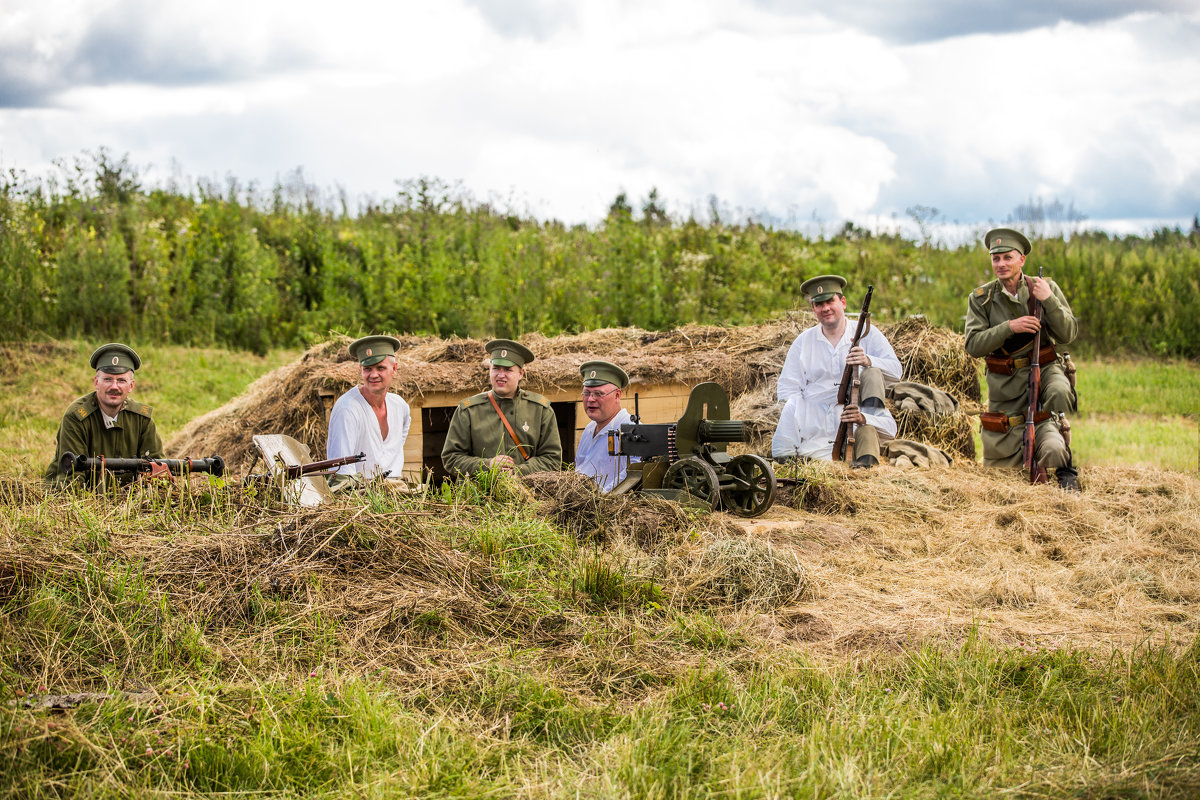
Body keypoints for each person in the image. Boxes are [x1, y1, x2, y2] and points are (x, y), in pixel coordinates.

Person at [965, 227, 1079, 490]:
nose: (1001, 264)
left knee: (1060, 394)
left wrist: (1048, 300)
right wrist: (1009, 327)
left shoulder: (1044, 288)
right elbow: (972, 345)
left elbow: (1068, 333)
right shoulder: (981, 299)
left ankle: (1065, 467)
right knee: (999, 481)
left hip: (1045, 369)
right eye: (996, 259)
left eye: (1008, 257)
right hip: (1005, 388)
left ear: (1022, 260)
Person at [772, 275, 902, 467]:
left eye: (830, 301)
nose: (825, 308)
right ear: (813, 309)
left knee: (867, 433)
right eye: (819, 304)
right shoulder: (803, 342)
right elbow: (787, 389)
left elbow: (896, 372)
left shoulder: (867, 333)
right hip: (814, 438)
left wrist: (868, 360)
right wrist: (808, 414)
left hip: (855, 419)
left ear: (843, 302)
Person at [441, 339, 563, 477]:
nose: (500, 375)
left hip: (528, 494)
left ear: (521, 373)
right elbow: (451, 458)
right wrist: (488, 465)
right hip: (478, 496)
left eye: (508, 370)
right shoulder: (468, 410)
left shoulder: (540, 410)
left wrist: (518, 472)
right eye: (496, 368)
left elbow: (552, 460)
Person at [45, 343, 164, 484]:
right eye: (107, 379)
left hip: (128, 498)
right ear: (96, 382)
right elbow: (71, 477)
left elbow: (158, 470)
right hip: (82, 496)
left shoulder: (142, 419)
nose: (114, 387)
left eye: (121, 380)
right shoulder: (76, 416)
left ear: (131, 386)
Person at [326, 335, 411, 482]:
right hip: (359, 494)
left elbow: (397, 446)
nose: (373, 375)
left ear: (394, 368)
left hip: (396, 491)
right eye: (367, 369)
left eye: (380, 368)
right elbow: (340, 473)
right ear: (361, 369)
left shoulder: (400, 406)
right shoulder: (347, 409)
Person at [574, 360, 638, 491]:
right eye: (586, 393)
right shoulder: (589, 429)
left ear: (617, 395)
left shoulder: (631, 429)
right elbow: (580, 469)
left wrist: (601, 499)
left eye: (599, 393)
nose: (591, 399)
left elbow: (634, 474)